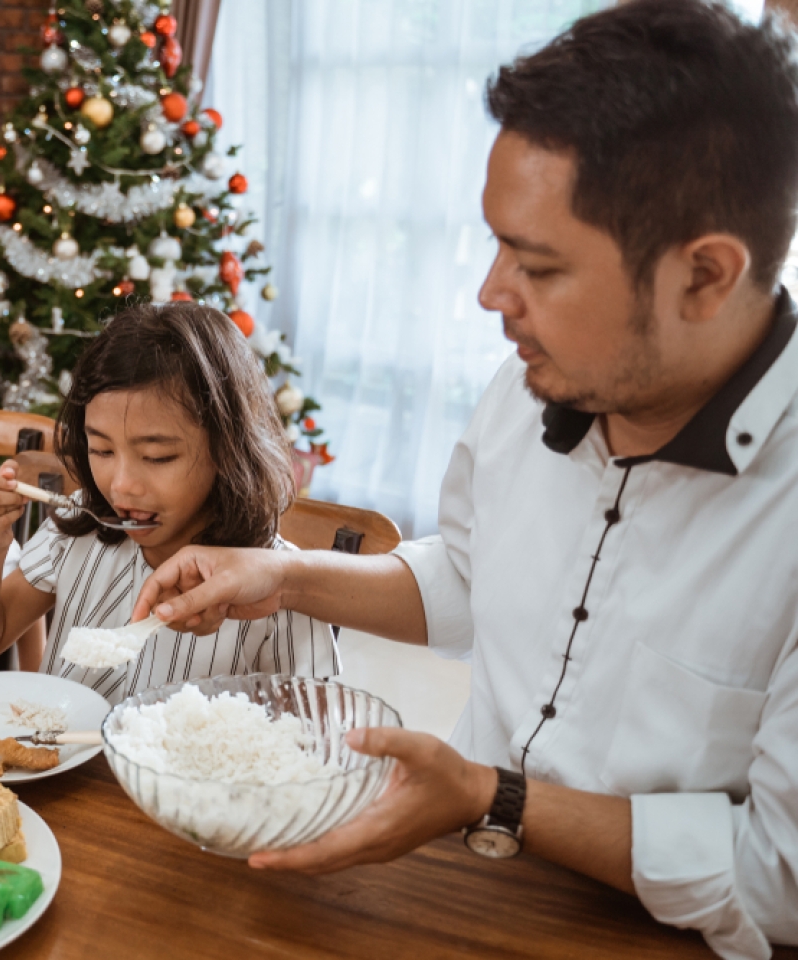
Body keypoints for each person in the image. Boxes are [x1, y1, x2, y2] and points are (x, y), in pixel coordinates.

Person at [133, 3, 798, 956]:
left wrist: (501, 798)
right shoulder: (534, 386)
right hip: (467, 879)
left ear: (705, 277)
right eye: (496, 245)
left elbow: (780, 879)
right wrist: (280, 575)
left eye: (537, 264)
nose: (492, 295)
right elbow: (477, 578)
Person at [0, 302, 334, 702]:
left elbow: (308, 733)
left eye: (157, 457)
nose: (122, 486)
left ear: (229, 448)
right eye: (101, 450)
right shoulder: (75, 525)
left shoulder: (279, 584)